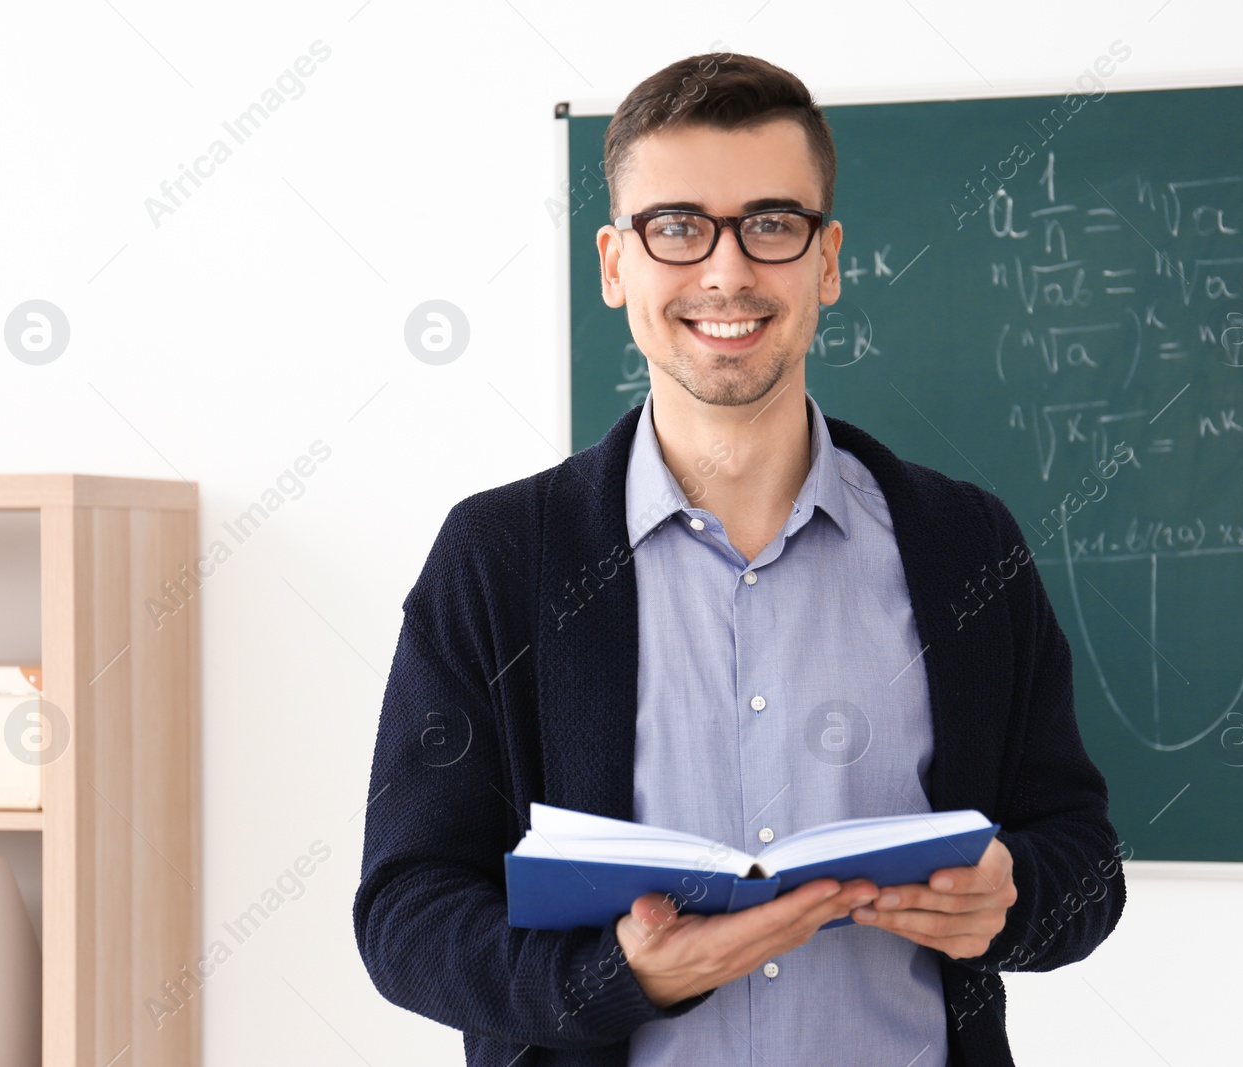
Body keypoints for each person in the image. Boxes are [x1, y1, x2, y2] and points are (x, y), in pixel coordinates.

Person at [353, 51, 1126, 1067]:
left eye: (772, 223)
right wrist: (615, 978)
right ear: (614, 263)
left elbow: (1083, 864)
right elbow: (405, 913)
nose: (726, 271)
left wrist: (1009, 894)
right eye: (676, 227)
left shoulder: (963, 544)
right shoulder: (499, 557)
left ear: (828, 258)